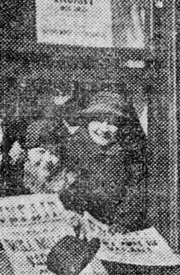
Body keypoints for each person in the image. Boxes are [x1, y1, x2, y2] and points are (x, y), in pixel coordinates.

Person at [62, 90, 150, 230]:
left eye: (112, 123)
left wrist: (116, 229)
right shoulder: (71, 148)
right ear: (88, 121)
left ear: (122, 128)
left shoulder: (132, 158)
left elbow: (134, 202)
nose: (104, 128)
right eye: (98, 119)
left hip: (114, 232)